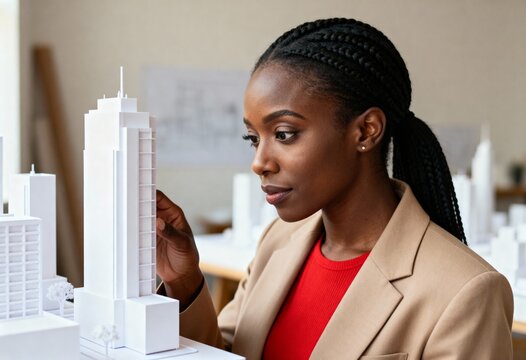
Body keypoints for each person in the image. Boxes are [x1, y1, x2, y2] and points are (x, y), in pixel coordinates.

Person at [156, 18, 513, 359]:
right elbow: (227, 354)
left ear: (365, 131)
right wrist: (185, 282)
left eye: (283, 134)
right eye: (253, 138)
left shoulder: (465, 291)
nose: (259, 162)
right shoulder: (278, 242)